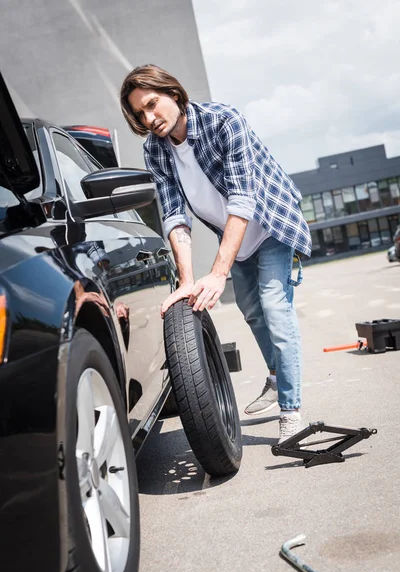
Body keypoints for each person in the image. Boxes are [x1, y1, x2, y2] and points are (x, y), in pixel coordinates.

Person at [120, 65, 312, 443]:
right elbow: (174, 215)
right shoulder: (155, 150)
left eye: (153, 104)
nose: (149, 118)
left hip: (270, 223)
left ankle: (292, 412)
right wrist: (187, 282)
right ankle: (276, 378)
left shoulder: (224, 121)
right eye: (140, 114)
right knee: (252, 311)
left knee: (275, 307)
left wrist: (218, 271)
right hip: (234, 235)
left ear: (173, 93)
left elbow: (243, 198)